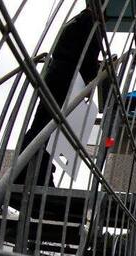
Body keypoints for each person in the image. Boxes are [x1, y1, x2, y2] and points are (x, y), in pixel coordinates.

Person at [16, 7, 104, 187]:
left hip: (55, 75)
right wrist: (92, 79)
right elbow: (89, 58)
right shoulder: (92, 24)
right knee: (50, 130)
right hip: (68, 80)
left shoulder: (74, 21)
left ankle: (27, 171)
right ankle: (36, 175)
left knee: (41, 125)